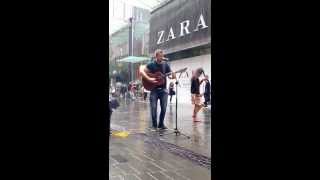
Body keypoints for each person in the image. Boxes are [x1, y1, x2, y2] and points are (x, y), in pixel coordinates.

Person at [139, 49, 176, 131]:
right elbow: (142, 73)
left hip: (163, 90)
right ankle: (154, 126)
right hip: (154, 90)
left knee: (164, 108)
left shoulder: (165, 65)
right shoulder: (151, 65)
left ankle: (161, 124)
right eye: (160, 56)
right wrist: (149, 79)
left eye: (162, 56)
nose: (162, 57)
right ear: (156, 56)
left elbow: (171, 76)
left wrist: (173, 75)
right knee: (153, 108)